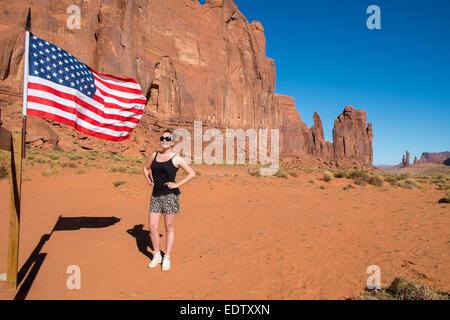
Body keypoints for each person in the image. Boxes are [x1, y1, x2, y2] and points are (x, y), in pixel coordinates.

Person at [142, 129, 196, 271]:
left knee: (168, 227)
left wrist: (177, 184)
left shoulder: (176, 158)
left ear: (172, 142)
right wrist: (149, 181)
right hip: (155, 196)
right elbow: (145, 169)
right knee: (152, 227)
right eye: (162, 138)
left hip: (170, 197)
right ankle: (157, 255)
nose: (164, 140)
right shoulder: (154, 155)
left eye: (167, 139)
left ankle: (167, 257)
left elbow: (192, 173)